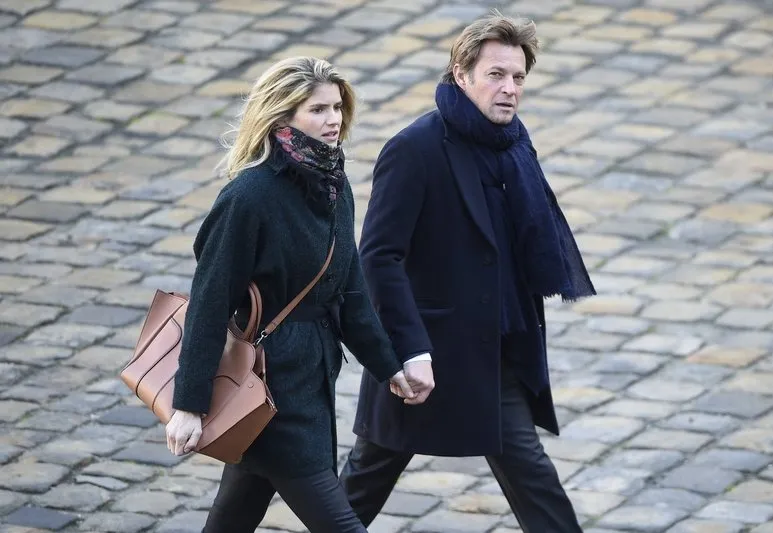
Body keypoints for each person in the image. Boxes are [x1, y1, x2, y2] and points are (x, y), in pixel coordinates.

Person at [340, 12, 596, 533]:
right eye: (496, 75)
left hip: (493, 354)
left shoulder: (514, 143)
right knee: (363, 485)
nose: (509, 89)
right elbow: (378, 258)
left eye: (518, 77)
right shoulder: (414, 150)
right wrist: (410, 351)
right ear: (461, 74)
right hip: (424, 358)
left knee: (533, 477)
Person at [163, 56, 418, 533]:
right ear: (282, 116)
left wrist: (388, 366)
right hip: (270, 384)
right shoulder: (249, 197)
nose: (334, 120)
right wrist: (189, 403)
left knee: (233, 515)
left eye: (337, 108)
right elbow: (210, 301)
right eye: (318, 109)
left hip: (310, 378)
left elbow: (351, 288)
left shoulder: (333, 186)